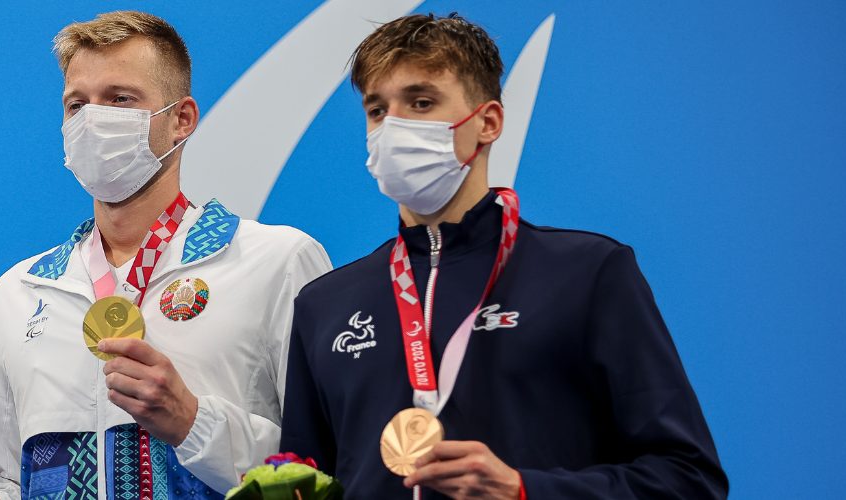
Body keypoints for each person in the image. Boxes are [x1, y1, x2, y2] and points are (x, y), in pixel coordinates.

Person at [278, 13, 727, 499]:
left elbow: (688, 479)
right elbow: (304, 483)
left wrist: (522, 490)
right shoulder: (325, 305)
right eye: (377, 110)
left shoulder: (587, 273)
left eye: (421, 102)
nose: (393, 127)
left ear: (487, 122)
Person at [0, 10, 332, 499]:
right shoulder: (17, 293)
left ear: (182, 120)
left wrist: (192, 421)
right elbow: (5, 474)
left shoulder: (276, 262)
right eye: (77, 104)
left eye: (120, 99)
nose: (92, 120)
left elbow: (326, 462)